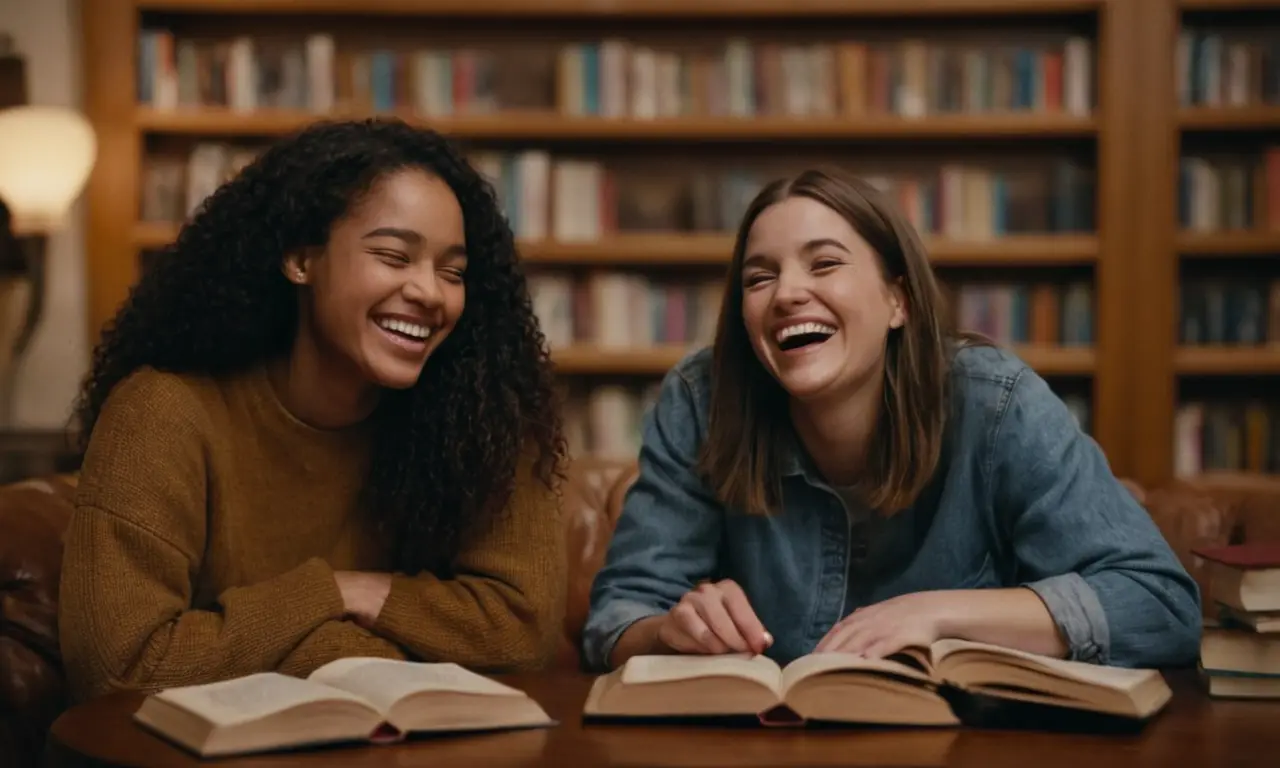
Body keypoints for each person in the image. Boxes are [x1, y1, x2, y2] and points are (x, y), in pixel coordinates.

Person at [582, 167, 1201, 673]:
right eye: (759, 277)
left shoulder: (997, 403)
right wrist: (674, 633)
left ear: (897, 300)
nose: (787, 293)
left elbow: (1160, 604)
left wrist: (935, 615)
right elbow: (618, 617)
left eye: (824, 265)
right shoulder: (702, 399)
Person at [58, 118, 567, 703]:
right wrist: (325, 601)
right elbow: (118, 668)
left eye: (453, 272)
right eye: (394, 255)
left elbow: (521, 634)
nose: (430, 292)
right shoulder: (163, 413)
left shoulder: (483, 415)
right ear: (301, 259)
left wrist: (364, 594)